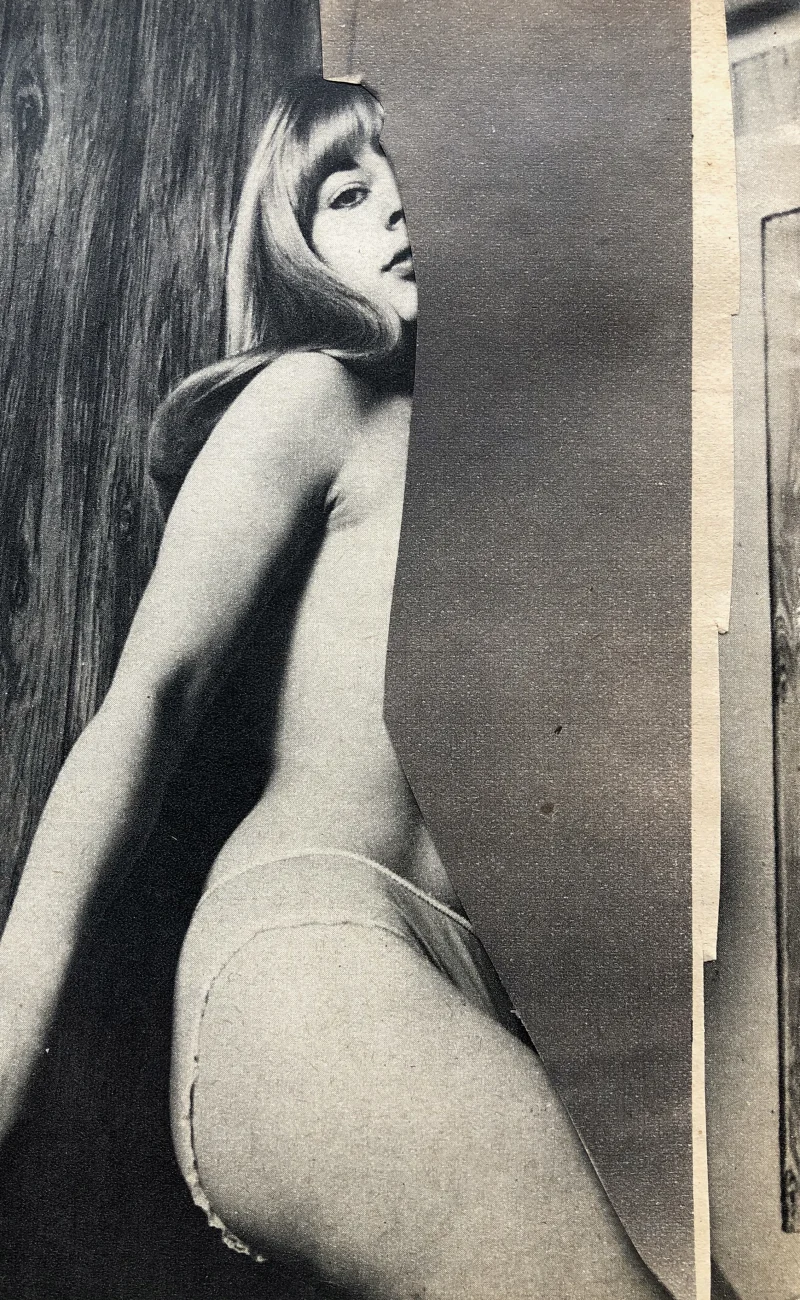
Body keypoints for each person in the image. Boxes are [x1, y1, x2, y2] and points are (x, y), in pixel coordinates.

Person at [0, 77, 669, 1299]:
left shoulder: (507, 467)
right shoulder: (317, 391)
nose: (397, 205)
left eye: (414, 168)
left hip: (451, 974)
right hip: (307, 949)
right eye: (347, 192)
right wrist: (9, 1033)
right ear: (297, 243)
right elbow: (148, 702)